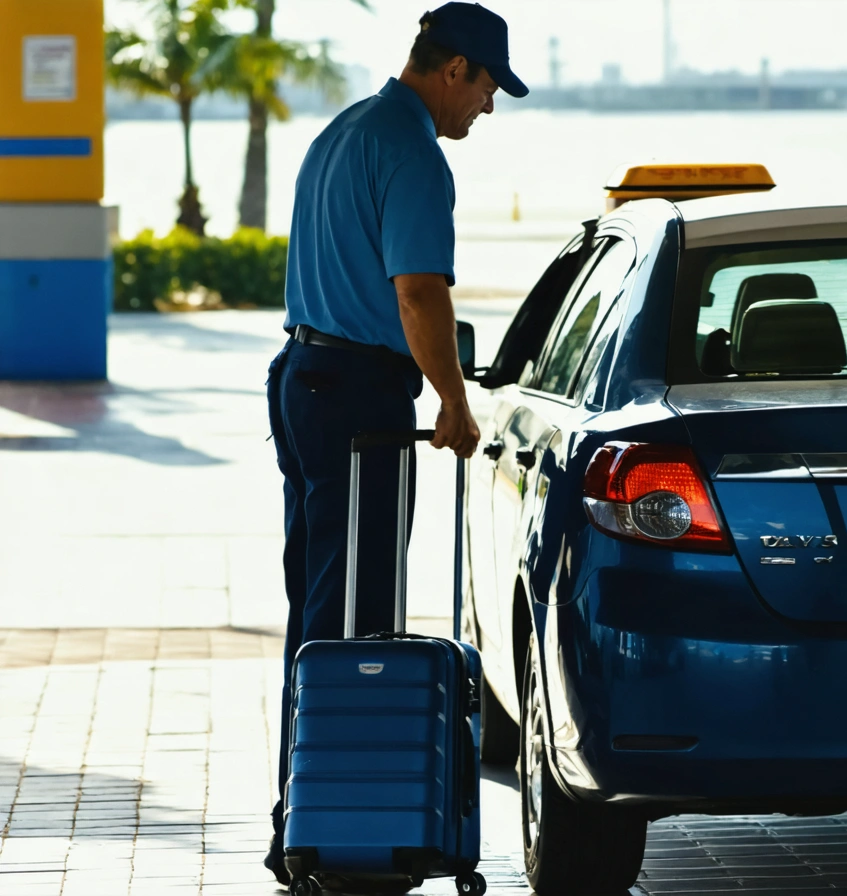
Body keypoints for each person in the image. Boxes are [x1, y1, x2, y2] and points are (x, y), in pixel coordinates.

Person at [263, 4, 528, 883]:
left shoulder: (345, 130)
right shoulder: (412, 150)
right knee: (357, 618)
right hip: (359, 402)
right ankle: (342, 838)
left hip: (303, 379)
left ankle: (301, 820)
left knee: (319, 608)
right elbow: (419, 294)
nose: (488, 108)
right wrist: (454, 400)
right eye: (488, 85)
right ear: (453, 69)